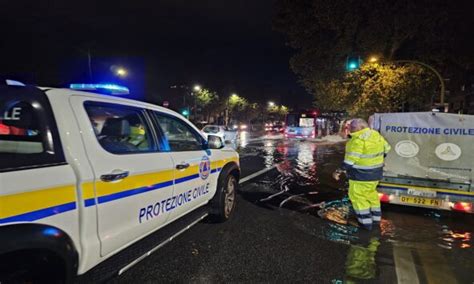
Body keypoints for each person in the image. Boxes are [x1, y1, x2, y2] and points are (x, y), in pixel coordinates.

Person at [333, 118, 391, 230]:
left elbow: (350, 161)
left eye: (352, 127)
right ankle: (375, 222)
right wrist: (376, 162)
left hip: (359, 176)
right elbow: (387, 149)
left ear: (360, 128)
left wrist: (338, 171)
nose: (350, 129)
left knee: (358, 198)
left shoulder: (357, 140)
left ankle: (365, 225)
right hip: (375, 175)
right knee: (372, 196)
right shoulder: (375, 135)